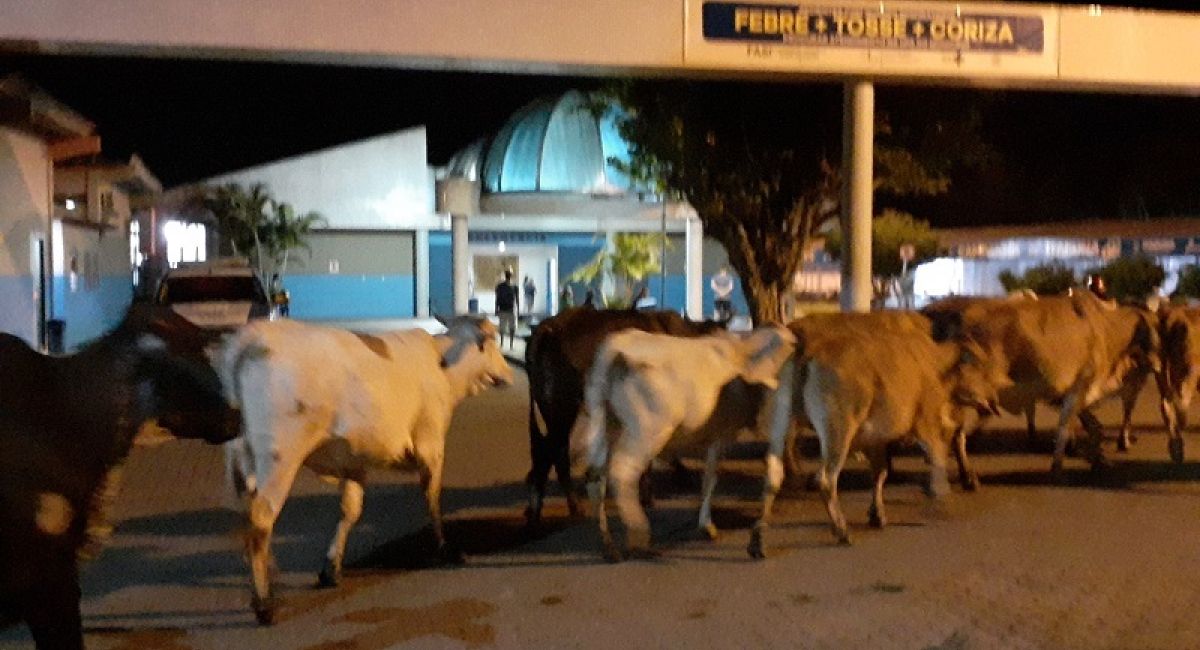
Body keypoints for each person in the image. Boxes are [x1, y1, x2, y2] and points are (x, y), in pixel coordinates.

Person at [494, 269, 518, 349]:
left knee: (505, 327)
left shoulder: (501, 286)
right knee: (509, 328)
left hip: (505, 309)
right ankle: (508, 344)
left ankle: (504, 343)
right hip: (508, 309)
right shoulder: (513, 286)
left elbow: (497, 299)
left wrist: (496, 309)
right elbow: (517, 299)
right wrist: (517, 309)